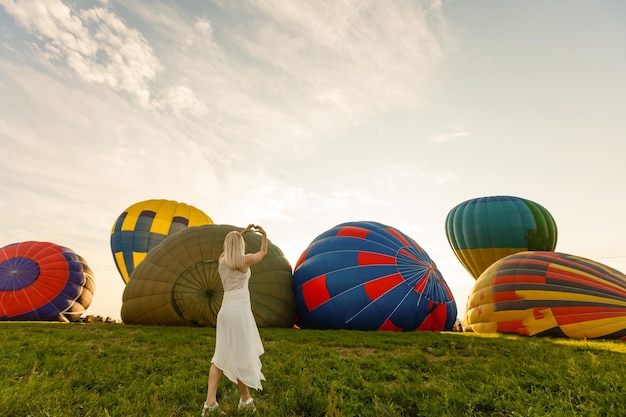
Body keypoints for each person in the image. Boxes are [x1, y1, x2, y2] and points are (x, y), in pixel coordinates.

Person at [202, 224, 268, 415]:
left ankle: (210, 404)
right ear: (240, 245)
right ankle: (245, 400)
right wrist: (263, 235)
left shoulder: (222, 260)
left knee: (220, 357)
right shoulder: (244, 260)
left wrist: (241, 234)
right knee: (240, 354)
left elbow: (230, 247)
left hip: (224, 312)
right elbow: (263, 252)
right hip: (239, 312)